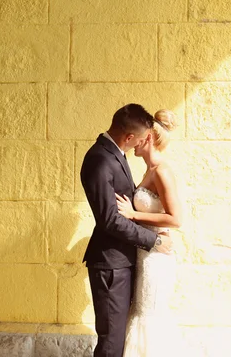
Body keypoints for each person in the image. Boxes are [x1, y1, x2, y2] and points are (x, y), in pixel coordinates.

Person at [80, 104, 173, 357]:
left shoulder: (115, 154)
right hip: (110, 264)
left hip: (124, 261)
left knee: (119, 338)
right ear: (129, 137)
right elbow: (109, 219)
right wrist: (153, 241)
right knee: (111, 342)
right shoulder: (99, 160)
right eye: (140, 139)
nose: (141, 144)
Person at [115, 109, 183, 357]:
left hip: (157, 256)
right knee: (141, 312)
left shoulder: (162, 171)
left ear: (148, 138)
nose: (132, 141)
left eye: (137, 137)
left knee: (149, 315)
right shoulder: (148, 170)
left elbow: (176, 219)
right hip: (145, 252)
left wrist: (133, 215)